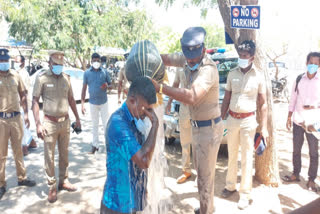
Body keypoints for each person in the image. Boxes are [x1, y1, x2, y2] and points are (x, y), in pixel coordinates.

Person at [153, 26, 223, 214]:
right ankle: (207, 207)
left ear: (203, 49)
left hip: (208, 129)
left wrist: (161, 88)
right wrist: (147, 54)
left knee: (204, 178)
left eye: (194, 57)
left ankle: (206, 211)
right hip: (197, 127)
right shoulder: (186, 58)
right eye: (187, 56)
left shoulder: (209, 70)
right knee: (202, 173)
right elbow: (165, 58)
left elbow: (192, 96)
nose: (190, 60)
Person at [220, 40, 268, 210]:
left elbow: (263, 103)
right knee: (232, 154)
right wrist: (221, 118)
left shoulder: (259, 75)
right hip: (232, 119)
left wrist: (263, 127)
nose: (242, 58)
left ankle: (245, 194)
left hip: (249, 121)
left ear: (252, 57)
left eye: (245, 56)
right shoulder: (232, 73)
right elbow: (226, 98)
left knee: (247, 158)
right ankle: (230, 186)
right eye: (240, 55)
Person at [100, 77, 158, 214]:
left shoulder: (135, 118)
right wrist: (155, 124)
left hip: (132, 199)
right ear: (132, 101)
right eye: (147, 109)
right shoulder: (118, 123)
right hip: (117, 204)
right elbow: (144, 161)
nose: (149, 114)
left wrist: (143, 189)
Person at [32, 50, 81, 203]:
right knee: (49, 156)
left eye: (61, 64)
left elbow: (72, 99)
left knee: (64, 154)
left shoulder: (67, 78)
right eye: (56, 64)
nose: (59, 67)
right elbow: (34, 101)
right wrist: (38, 124)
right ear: (50, 63)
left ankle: (63, 180)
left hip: (65, 122)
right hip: (49, 123)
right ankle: (52, 186)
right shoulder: (42, 78)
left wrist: (77, 118)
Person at [0, 48, 36, 200]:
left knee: (19, 151)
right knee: (1, 154)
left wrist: (26, 114)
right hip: (1, 119)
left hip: (16, 118)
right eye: (2, 61)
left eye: (6, 61)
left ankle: (22, 178)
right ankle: (1, 184)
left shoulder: (16, 75)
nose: (4, 63)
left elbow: (23, 94)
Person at [283, 52, 320, 192]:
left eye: (316, 64)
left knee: (313, 152)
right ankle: (295, 174)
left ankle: (311, 179)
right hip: (298, 120)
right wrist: (288, 116)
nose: (313, 66)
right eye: (311, 63)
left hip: (314, 123)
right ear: (306, 63)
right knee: (296, 149)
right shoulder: (299, 79)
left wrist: (314, 106)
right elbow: (293, 99)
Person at [165, 67, 193, 184]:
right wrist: (169, 102)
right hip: (184, 108)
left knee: (200, 143)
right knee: (185, 142)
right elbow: (175, 85)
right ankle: (186, 170)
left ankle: (202, 173)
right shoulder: (180, 67)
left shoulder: (202, 65)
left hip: (199, 108)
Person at [81, 53, 112, 154]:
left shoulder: (104, 72)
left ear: (100, 61)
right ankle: (95, 146)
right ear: (91, 61)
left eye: (98, 61)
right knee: (94, 125)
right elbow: (84, 88)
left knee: (105, 124)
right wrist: (82, 104)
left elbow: (111, 85)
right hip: (93, 103)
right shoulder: (87, 73)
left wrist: (107, 86)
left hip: (103, 102)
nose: (96, 62)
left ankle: (109, 147)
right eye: (94, 60)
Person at [14, 55, 37, 156]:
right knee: (22, 125)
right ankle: (32, 142)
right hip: (17, 103)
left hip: (22, 103)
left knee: (22, 125)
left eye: (17, 61)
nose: (15, 63)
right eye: (14, 61)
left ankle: (24, 147)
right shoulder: (16, 73)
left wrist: (24, 106)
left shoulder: (23, 74)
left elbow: (24, 92)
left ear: (23, 63)